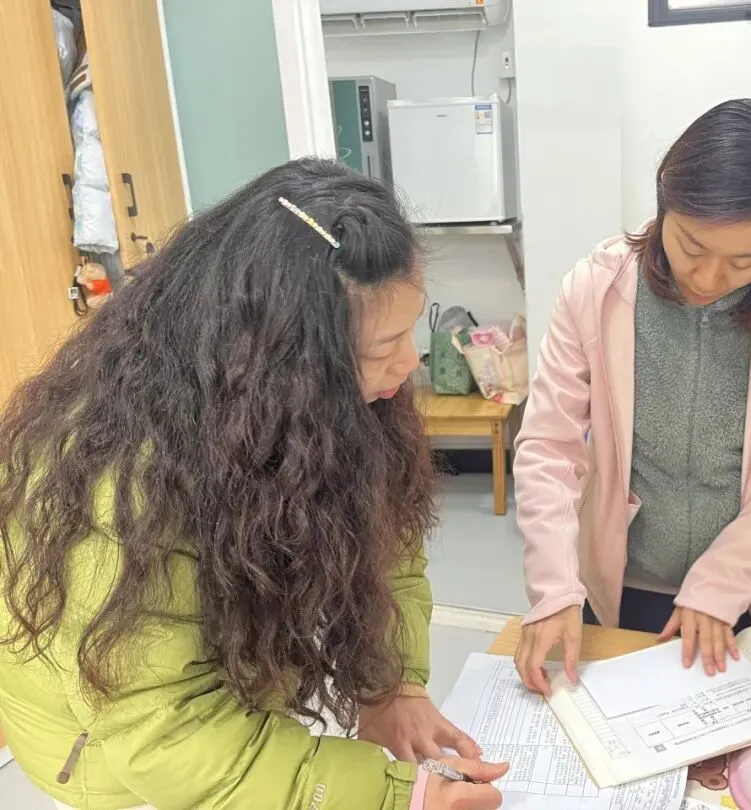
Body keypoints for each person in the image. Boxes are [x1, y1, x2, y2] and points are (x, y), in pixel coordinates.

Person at [0, 159, 506, 810]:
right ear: (286, 361)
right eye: (383, 349)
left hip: (210, 729)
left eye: (408, 333)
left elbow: (389, 544)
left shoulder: (311, 406)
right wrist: (395, 797)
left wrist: (392, 684)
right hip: (116, 765)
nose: (409, 364)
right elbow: (167, 732)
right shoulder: (122, 485)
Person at [513, 98, 751, 694]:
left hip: (737, 599)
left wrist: (720, 583)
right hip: (619, 584)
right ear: (665, 199)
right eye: (692, 246)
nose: (709, 278)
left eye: (745, 260)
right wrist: (554, 586)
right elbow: (549, 447)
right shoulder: (597, 290)